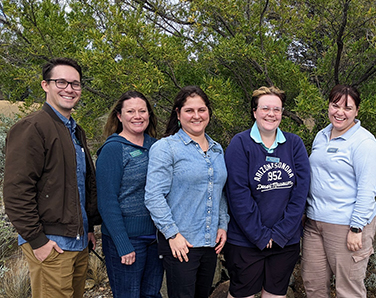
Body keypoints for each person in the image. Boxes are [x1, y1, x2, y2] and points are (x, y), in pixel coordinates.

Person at [3, 57, 101, 298]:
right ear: (45, 85)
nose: (69, 89)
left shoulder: (75, 131)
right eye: (61, 82)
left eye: (75, 84)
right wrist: (38, 240)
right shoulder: (32, 128)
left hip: (77, 242)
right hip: (51, 243)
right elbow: (16, 192)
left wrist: (88, 226)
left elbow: (80, 184)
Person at [224, 86, 310, 298]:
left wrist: (281, 232)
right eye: (265, 108)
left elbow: (300, 192)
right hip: (246, 241)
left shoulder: (294, 144)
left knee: (275, 294)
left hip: (284, 241)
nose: (271, 114)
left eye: (277, 109)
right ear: (254, 111)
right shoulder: (240, 143)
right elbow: (238, 194)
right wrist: (260, 235)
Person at [144, 85, 229, 298]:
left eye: (201, 110)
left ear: (209, 112)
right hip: (181, 244)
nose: (196, 116)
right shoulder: (166, 148)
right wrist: (172, 234)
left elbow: (219, 191)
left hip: (210, 243)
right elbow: (153, 196)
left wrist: (222, 224)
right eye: (189, 110)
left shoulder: (217, 149)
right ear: (178, 114)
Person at [302, 84, 376, 298]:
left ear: (357, 111)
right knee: (313, 285)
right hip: (314, 223)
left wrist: (356, 228)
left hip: (347, 225)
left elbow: (367, 189)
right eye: (335, 105)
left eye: (347, 108)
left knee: (348, 291)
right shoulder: (321, 135)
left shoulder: (364, 142)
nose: (339, 112)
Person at [96, 90, 163, 297]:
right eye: (131, 111)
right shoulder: (113, 149)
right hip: (126, 239)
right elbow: (107, 201)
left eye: (142, 111)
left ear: (149, 114)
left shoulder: (157, 146)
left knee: (151, 294)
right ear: (119, 116)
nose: (137, 116)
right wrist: (123, 244)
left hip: (156, 237)